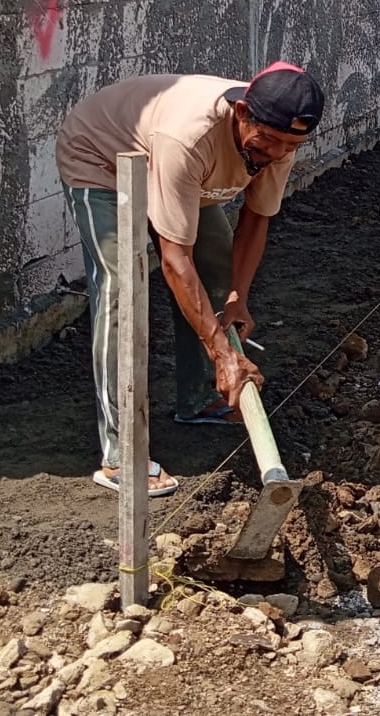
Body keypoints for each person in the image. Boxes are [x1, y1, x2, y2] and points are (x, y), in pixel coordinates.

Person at [56, 63, 325, 496]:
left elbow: (257, 218)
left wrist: (237, 297)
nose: (276, 153)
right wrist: (222, 352)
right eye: (269, 140)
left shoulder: (281, 138)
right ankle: (121, 454)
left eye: (290, 145)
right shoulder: (190, 136)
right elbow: (174, 259)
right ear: (241, 113)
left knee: (216, 269)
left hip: (177, 169)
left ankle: (199, 399)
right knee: (124, 286)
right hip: (101, 157)